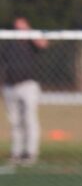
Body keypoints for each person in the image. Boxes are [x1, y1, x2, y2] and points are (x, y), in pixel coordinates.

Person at [1, 17, 48, 165]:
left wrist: (28, 31)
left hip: (28, 84)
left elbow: (43, 43)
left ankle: (30, 153)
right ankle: (16, 152)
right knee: (15, 121)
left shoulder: (30, 42)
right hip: (10, 85)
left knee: (29, 119)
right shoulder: (9, 44)